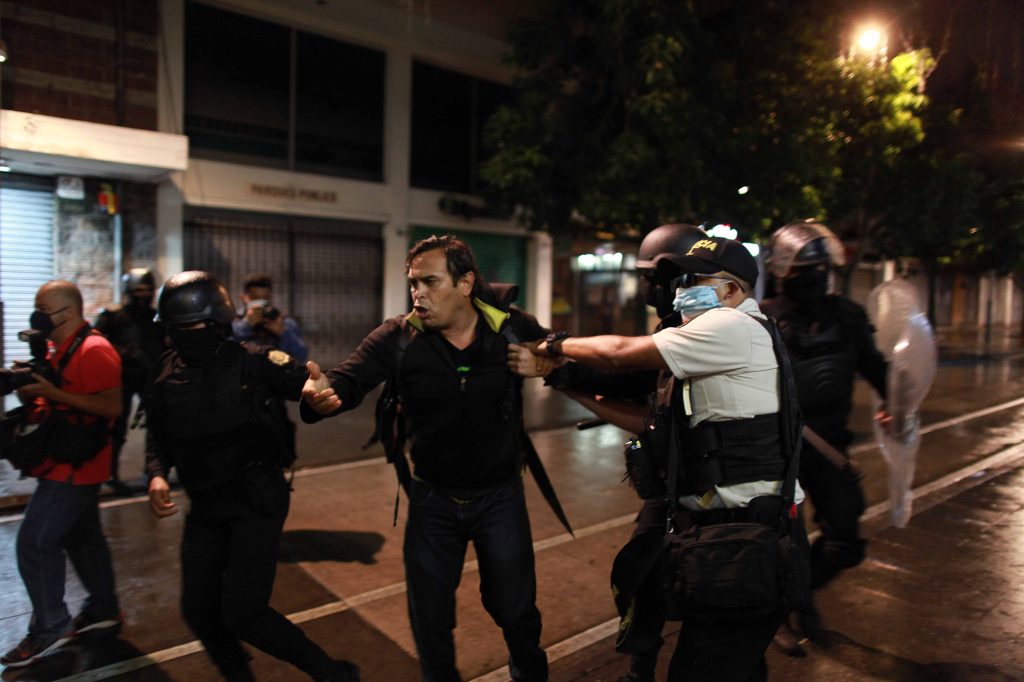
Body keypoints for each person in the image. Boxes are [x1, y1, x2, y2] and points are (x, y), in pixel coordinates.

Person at [514, 237, 806, 682]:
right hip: (725, 538)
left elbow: (618, 354)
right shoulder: (706, 348)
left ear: (733, 291)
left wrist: (553, 345)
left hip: (746, 541)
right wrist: (565, 383)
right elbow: (651, 423)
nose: (679, 290)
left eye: (695, 280)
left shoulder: (734, 326)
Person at [302, 235, 550, 682]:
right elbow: (347, 379)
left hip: (500, 498)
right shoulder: (398, 337)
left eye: (430, 282)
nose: (417, 293)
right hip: (432, 500)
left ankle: (529, 671)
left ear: (465, 283)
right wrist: (323, 397)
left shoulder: (511, 328)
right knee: (430, 618)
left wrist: (547, 365)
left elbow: (567, 359)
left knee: (514, 609)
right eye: (413, 282)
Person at [510, 223, 707, 682]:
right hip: (672, 485)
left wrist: (552, 347)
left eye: (652, 280)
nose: (646, 291)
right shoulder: (672, 328)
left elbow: (619, 356)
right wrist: (561, 375)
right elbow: (626, 388)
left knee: (716, 599)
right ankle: (640, 670)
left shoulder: (706, 332)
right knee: (640, 580)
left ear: (679, 279)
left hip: (719, 493)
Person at [144, 271, 358, 682]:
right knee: (198, 610)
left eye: (195, 328)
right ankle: (237, 674)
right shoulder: (165, 371)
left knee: (244, 612)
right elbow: (158, 430)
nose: (186, 337)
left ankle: (331, 673)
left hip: (255, 498)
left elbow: (309, 384)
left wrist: (319, 392)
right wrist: (157, 474)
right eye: (177, 329)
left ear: (219, 323)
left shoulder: (253, 360)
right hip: (206, 504)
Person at [761, 221, 888, 654]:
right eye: (803, 270)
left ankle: (796, 597)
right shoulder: (762, 320)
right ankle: (777, 611)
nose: (814, 279)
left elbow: (875, 365)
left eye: (820, 269)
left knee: (845, 539)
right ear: (781, 271)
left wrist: (894, 401)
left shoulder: (848, 317)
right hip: (779, 449)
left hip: (832, 444)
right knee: (779, 544)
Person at [2, 281, 123, 668]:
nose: (36, 315)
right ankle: (104, 607)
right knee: (83, 540)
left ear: (67, 313)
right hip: (64, 459)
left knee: (35, 543)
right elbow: (50, 394)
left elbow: (110, 407)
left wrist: (53, 395)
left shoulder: (95, 350)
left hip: (79, 466)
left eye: (43, 308)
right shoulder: (58, 348)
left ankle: (50, 624)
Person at [94, 268, 166, 494]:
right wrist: (119, 351)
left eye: (147, 289)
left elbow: (164, 344)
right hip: (122, 376)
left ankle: (152, 473)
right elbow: (95, 340)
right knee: (116, 428)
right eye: (138, 289)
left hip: (149, 376)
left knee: (156, 427)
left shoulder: (156, 316)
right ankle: (111, 475)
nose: (143, 294)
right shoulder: (114, 315)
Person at [232, 273, 308, 363]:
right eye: (255, 298)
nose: (261, 303)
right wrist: (246, 324)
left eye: (265, 298)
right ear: (244, 297)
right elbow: (226, 350)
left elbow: (302, 356)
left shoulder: (285, 322)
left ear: (271, 297)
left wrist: (284, 333)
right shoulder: (233, 321)